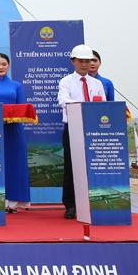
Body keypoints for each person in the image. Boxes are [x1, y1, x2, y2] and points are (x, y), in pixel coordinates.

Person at [58, 44, 105, 219]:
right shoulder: (66, 81)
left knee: (94, 166)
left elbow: (102, 106)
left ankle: (94, 201)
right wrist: (83, 108)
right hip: (73, 128)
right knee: (71, 167)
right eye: (81, 61)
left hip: (93, 130)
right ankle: (70, 205)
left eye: (88, 61)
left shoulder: (97, 83)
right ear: (73, 61)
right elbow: (63, 101)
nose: (85, 64)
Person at [0, 53, 32, 212]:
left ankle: (14, 202)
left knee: (15, 163)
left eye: (3, 64)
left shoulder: (17, 85)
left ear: (8, 66)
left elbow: (21, 107)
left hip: (14, 129)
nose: (1, 67)